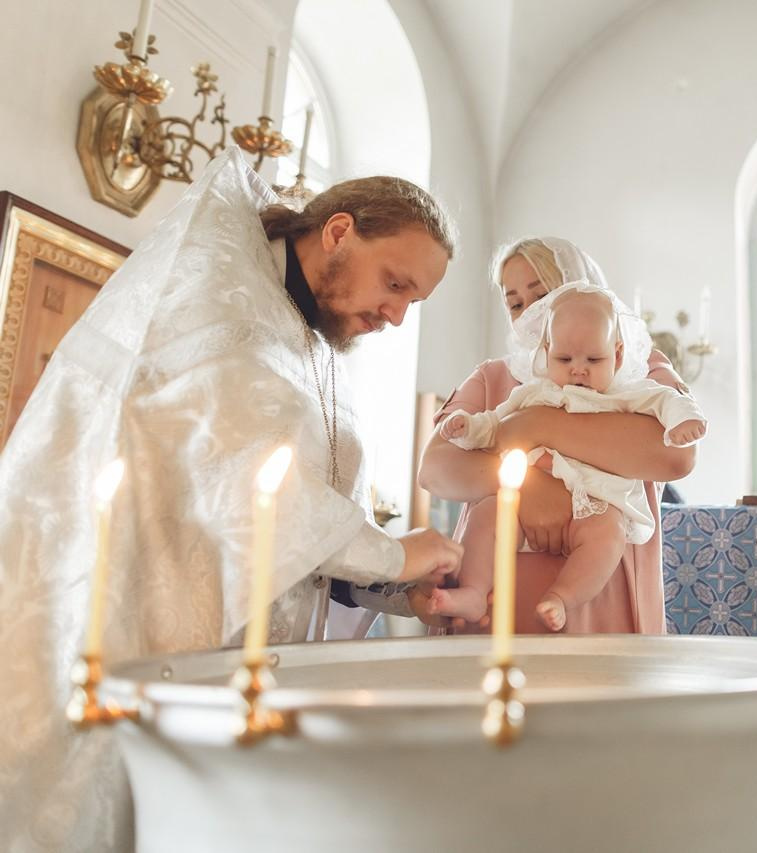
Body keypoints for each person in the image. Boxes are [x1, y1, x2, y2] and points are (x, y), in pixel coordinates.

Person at [0, 151, 466, 852]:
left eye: (413, 301)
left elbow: (300, 529)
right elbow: (244, 485)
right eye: (393, 283)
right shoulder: (222, 297)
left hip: (230, 672)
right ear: (339, 230)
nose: (396, 314)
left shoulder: (307, 335)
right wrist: (398, 552)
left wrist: (396, 590)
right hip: (126, 624)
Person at [415, 236, 696, 634]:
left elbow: (676, 456)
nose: (532, 312)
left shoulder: (635, 364)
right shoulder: (492, 376)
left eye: (543, 294)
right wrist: (525, 487)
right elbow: (436, 468)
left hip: (603, 596)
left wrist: (536, 425)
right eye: (515, 303)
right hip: (497, 598)